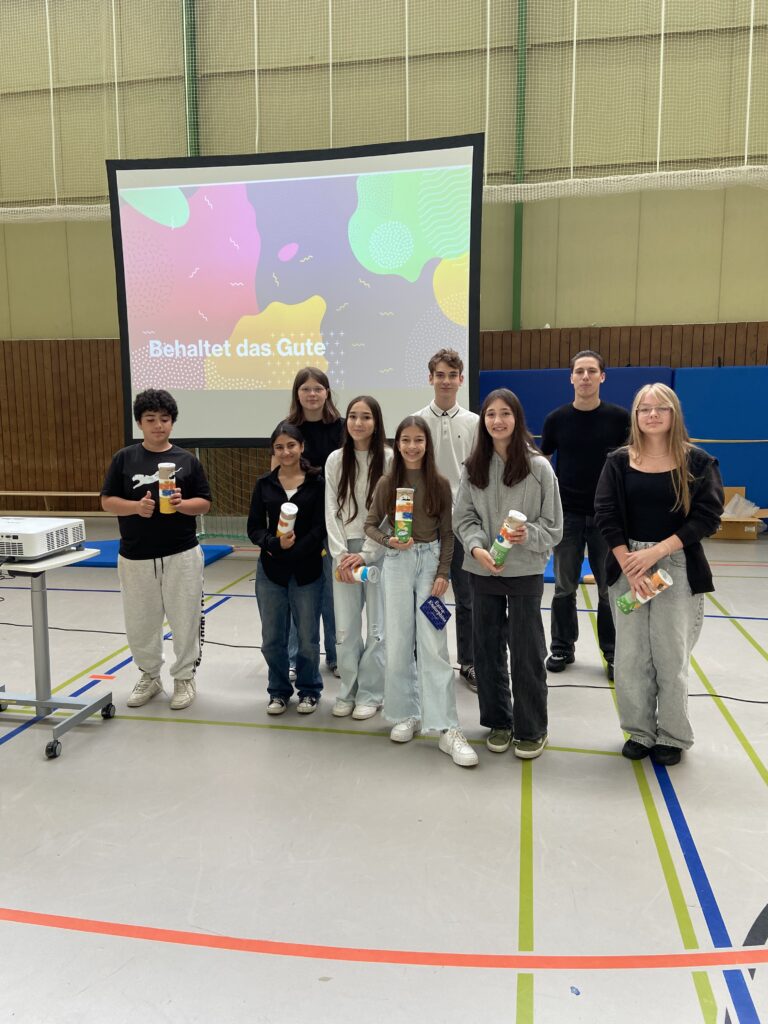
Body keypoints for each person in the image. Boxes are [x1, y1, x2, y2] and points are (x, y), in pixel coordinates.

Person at [594, 383, 723, 766]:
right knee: (631, 657)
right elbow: (606, 513)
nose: (652, 415)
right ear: (635, 416)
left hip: (677, 565)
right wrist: (629, 562)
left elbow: (708, 516)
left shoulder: (698, 462)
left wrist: (658, 550)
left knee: (670, 655)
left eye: (660, 408)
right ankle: (639, 731)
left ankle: (671, 735)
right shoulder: (618, 462)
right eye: (644, 409)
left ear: (673, 414)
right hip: (627, 566)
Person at [454, 389, 563, 759]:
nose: (497, 421)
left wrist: (526, 535)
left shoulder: (539, 468)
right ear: (483, 421)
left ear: (517, 419)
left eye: (505, 413)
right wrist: (477, 548)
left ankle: (532, 727)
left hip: (525, 571)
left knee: (526, 651)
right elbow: (463, 518)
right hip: (482, 569)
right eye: (490, 414)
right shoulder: (473, 468)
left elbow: (553, 526)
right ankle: (499, 721)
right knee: (486, 651)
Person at [364, 416, 478, 768]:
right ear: (397, 444)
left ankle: (446, 726)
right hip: (397, 564)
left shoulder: (440, 483)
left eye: (418, 440)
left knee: (433, 644)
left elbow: (448, 533)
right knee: (398, 640)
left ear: (427, 444)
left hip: (430, 562)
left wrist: (443, 572)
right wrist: (389, 542)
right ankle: (405, 713)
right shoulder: (387, 483)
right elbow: (370, 525)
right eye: (405, 440)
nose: (412, 447)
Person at [101, 388, 211, 711]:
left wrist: (181, 504)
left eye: (164, 419)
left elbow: (204, 503)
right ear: (139, 423)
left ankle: (184, 677)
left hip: (181, 554)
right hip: (135, 555)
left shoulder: (187, 461)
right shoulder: (124, 459)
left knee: (185, 619)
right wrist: (136, 508)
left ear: (172, 422)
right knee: (140, 622)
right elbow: (107, 501)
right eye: (151, 419)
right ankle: (149, 675)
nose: (158, 425)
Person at [540, 350, 630, 680]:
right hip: (568, 515)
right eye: (579, 371)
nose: (586, 377)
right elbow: (541, 463)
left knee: (609, 589)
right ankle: (562, 647)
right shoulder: (556, 419)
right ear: (571, 378)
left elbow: (631, 464)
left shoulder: (620, 419)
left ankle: (613, 652)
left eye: (592, 371)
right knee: (564, 586)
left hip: (608, 517)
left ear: (602, 377)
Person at [248, 422, 326, 715]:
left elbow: (320, 527)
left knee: (307, 639)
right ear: (273, 451)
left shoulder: (317, 483)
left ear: (301, 447)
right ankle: (278, 691)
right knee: (272, 639)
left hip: (307, 571)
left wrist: (296, 549)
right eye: (279, 447)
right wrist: (274, 544)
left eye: (291, 445)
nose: (286, 452)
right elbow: (254, 527)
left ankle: (309, 690)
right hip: (271, 571)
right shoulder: (264, 484)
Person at [414, 348, 479, 690]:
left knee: (467, 599)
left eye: (452, 375)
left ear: (460, 380)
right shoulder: (415, 422)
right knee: (427, 596)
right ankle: (426, 659)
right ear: (430, 378)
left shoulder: (475, 423)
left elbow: (480, 476)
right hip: (426, 527)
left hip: (463, 526)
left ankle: (469, 662)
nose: (446, 381)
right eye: (439, 375)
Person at [325, 396, 393, 719]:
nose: (358, 423)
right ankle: (348, 690)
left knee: (378, 628)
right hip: (343, 554)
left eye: (366, 417)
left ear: (376, 423)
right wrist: (342, 554)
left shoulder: (390, 459)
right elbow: (331, 510)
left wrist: (367, 554)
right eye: (352, 416)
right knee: (346, 627)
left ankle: (371, 693)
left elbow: (391, 513)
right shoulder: (335, 460)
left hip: (379, 551)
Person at [285, 367, 343, 677]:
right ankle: (296, 658)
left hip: (336, 520)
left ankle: (337, 655)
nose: (312, 394)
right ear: (297, 393)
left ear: (327, 392)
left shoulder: (342, 428)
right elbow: (279, 475)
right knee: (300, 592)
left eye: (318, 388)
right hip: (301, 523)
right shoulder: (288, 429)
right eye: (306, 388)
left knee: (335, 595)